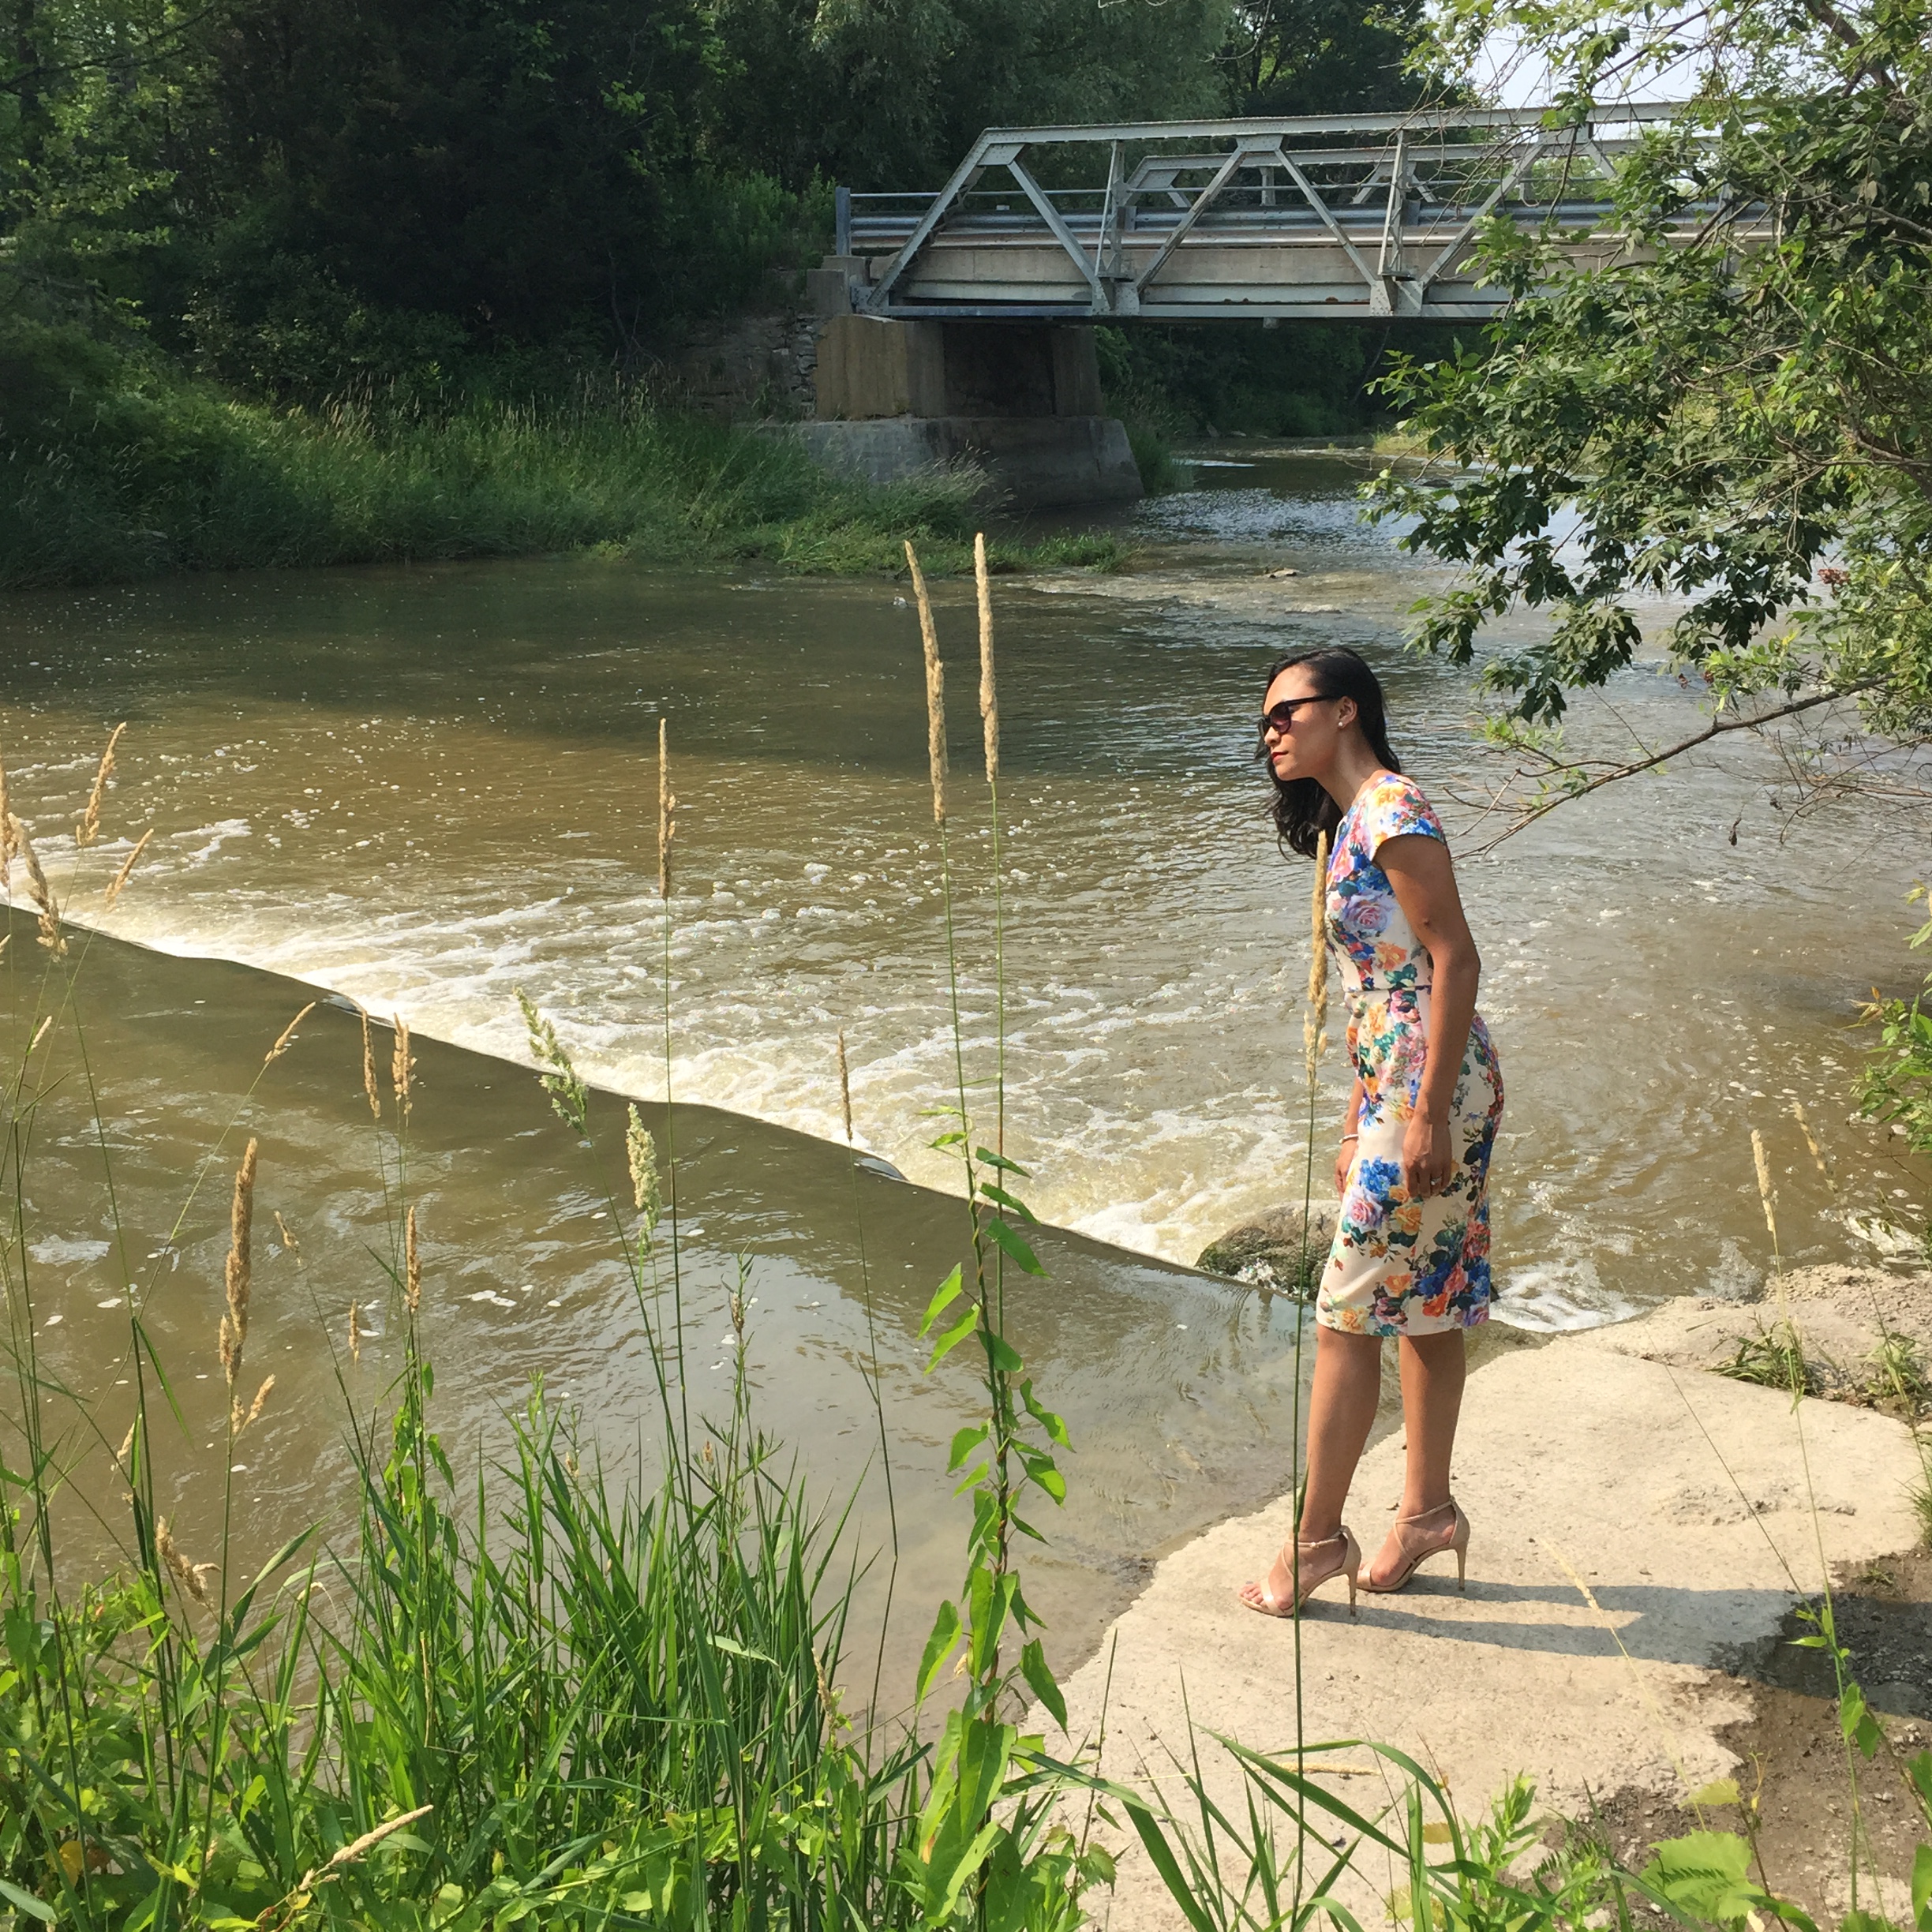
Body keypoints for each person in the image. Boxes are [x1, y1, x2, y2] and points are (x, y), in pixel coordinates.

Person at [1237, 646, 1504, 1619]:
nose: (1270, 732)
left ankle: (1317, 1541)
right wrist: (1361, 1113)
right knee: (1426, 1297)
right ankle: (1426, 1513)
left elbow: (1453, 960)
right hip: (1400, 1082)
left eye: (1286, 712)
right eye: (1264, 720)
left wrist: (1423, 1113)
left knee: (1344, 1316)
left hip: (1430, 1086)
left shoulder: (1391, 809)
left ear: (1345, 710)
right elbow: (1378, 991)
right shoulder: (1350, 822)